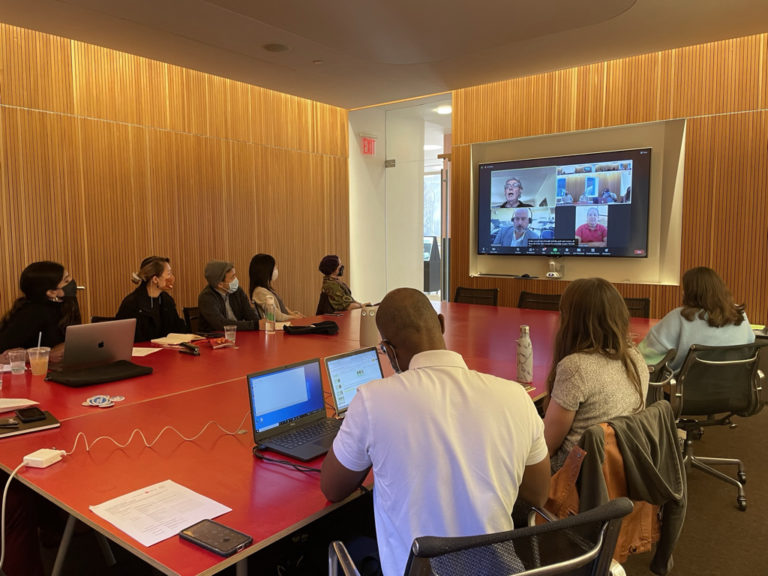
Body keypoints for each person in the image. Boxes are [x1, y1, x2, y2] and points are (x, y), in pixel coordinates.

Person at [321, 288, 550, 576]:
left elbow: (332, 488)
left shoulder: (372, 400)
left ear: (389, 351)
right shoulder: (515, 396)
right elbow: (538, 495)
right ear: (441, 324)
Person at [543, 278, 649, 472]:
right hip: (621, 469)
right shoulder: (635, 357)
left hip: (574, 477)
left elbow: (547, 447)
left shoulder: (575, 367)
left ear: (571, 320)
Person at [638, 266, 755, 372]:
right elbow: (749, 348)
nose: (683, 293)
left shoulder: (679, 317)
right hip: (735, 389)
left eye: (685, 289)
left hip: (686, 392)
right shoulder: (740, 315)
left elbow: (644, 356)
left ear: (693, 292)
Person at [0, 261, 79, 363]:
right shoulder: (31, 313)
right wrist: (45, 355)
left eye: (69, 277)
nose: (72, 282)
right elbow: (4, 354)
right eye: (66, 281)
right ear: (51, 292)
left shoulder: (68, 302)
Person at [115, 256, 187, 342]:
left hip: (165, 352)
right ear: (155, 279)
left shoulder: (167, 300)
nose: (172, 277)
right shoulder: (132, 303)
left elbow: (177, 329)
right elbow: (124, 338)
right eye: (169, 274)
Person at [198, 260, 259, 332]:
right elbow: (221, 324)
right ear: (220, 284)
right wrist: (255, 325)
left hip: (238, 335)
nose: (235, 279)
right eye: (232, 277)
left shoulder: (237, 291)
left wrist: (260, 323)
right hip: (215, 338)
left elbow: (249, 313)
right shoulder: (206, 297)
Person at [248, 253, 303, 321]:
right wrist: (294, 318)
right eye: (275, 267)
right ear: (266, 271)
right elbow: (276, 316)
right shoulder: (260, 292)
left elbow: (282, 309)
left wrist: (294, 314)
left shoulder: (267, 290)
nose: (276, 270)